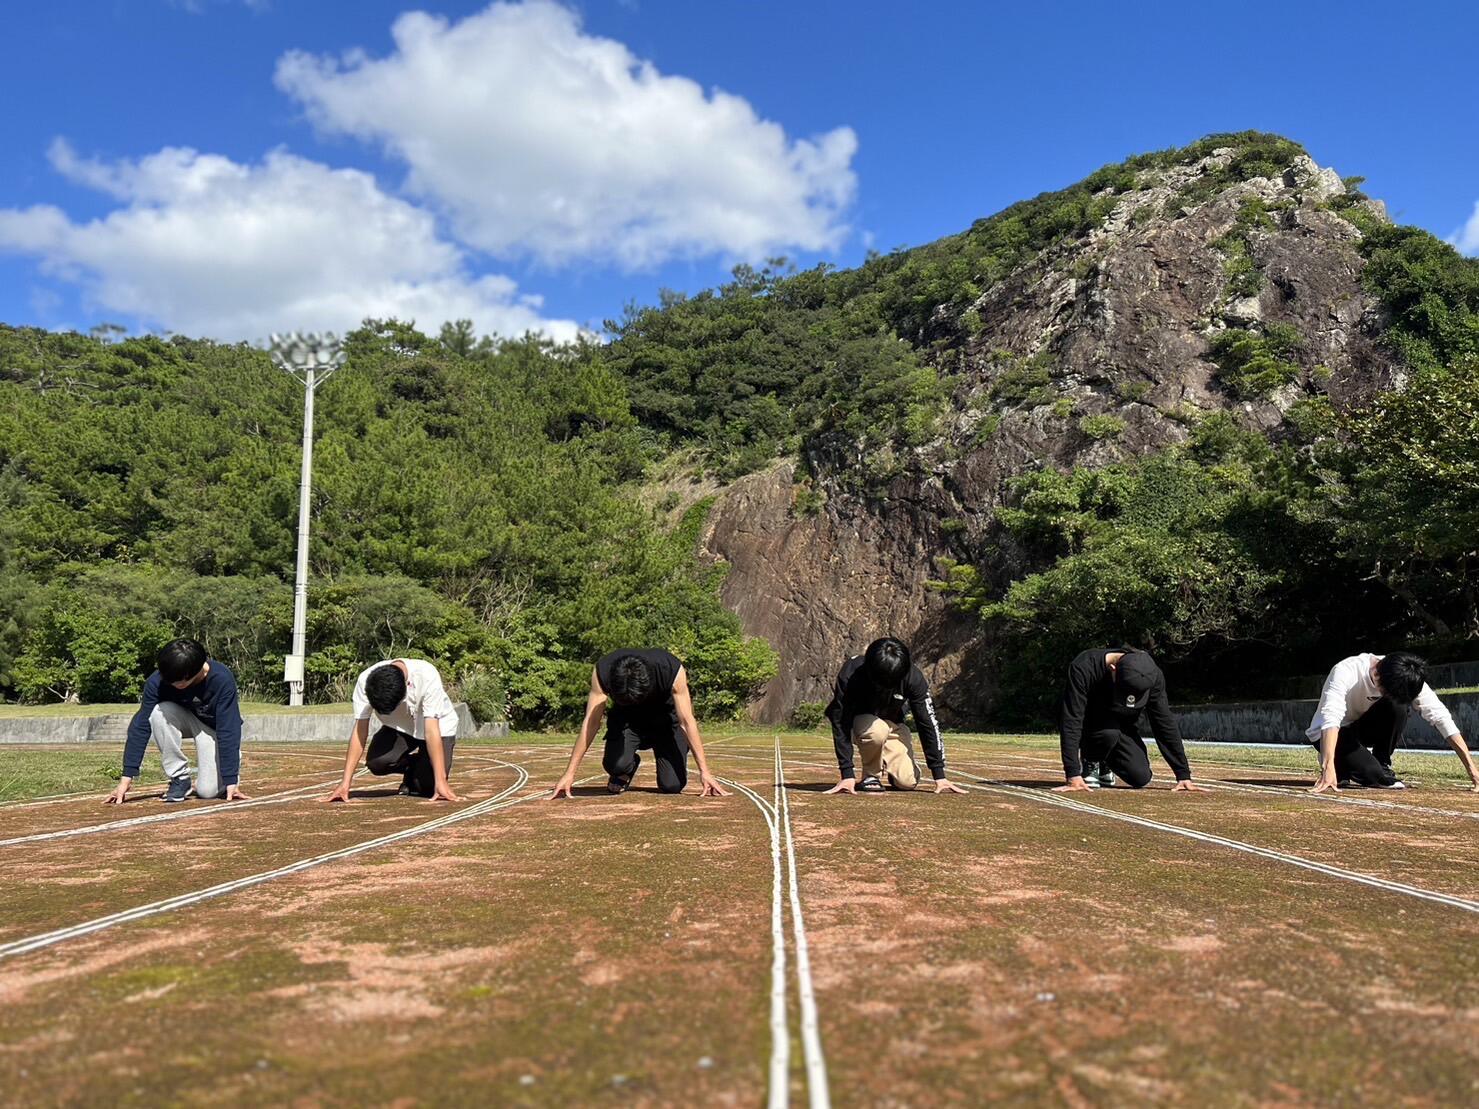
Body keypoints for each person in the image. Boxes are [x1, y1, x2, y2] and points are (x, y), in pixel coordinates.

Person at [549, 649, 729, 798]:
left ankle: (670, 760)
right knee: (616, 765)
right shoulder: (603, 671)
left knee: (672, 785)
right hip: (627, 722)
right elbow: (591, 722)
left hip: (666, 723)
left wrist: (705, 771)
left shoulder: (670, 669)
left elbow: (687, 721)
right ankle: (627, 767)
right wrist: (570, 773)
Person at [1308, 652, 1479, 793]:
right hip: (1331, 732)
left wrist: (1472, 769)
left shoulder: (1406, 675)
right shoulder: (1345, 671)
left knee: (1397, 706)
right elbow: (1330, 717)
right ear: (1378, 675)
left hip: (1362, 727)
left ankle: (1381, 761)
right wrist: (1327, 765)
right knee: (1372, 775)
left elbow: (1441, 718)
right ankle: (1338, 761)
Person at [105, 638, 246, 804]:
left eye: (177, 681)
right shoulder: (158, 682)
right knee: (157, 713)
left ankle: (226, 771)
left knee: (208, 792)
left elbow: (228, 729)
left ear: (190, 674)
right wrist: (126, 778)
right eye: (169, 680)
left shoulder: (222, 679)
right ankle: (179, 778)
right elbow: (141, 726)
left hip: (212, 729)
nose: (172, 684)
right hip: (183, 718)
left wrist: (230, 780)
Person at [823, 637, 966, 795]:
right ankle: (871, 776)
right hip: (859, 724)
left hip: (893, 725)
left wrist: (939, 775)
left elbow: (927, 722)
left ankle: (890, 763)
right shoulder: (851, 673)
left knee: (908, 782)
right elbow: (840, 720)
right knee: (877, 730)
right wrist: (847, 774)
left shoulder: (913, 678)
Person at [1056, 647, 1205, 792]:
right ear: (1113, 669)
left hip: (1123, 727)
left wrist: (1183, 774)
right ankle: (1091, 760)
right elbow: (1071, 719)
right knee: (1108, 733)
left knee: (1141, 777)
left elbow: (1163, 723)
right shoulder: (1084, 667)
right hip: (1092, 726)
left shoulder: (1152, 675)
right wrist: (1072, 774)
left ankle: (1106, 760)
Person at [323, 659, 460, 803]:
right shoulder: (365, 681)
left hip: (439, 728)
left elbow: (432, 730)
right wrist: (345, 783)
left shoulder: (427, 675)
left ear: (406, 687)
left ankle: (422, 772)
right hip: (400, 729)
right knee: (377, 762)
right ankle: (413, 766)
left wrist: (441, 780)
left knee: (428, 786)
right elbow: (360, 731)